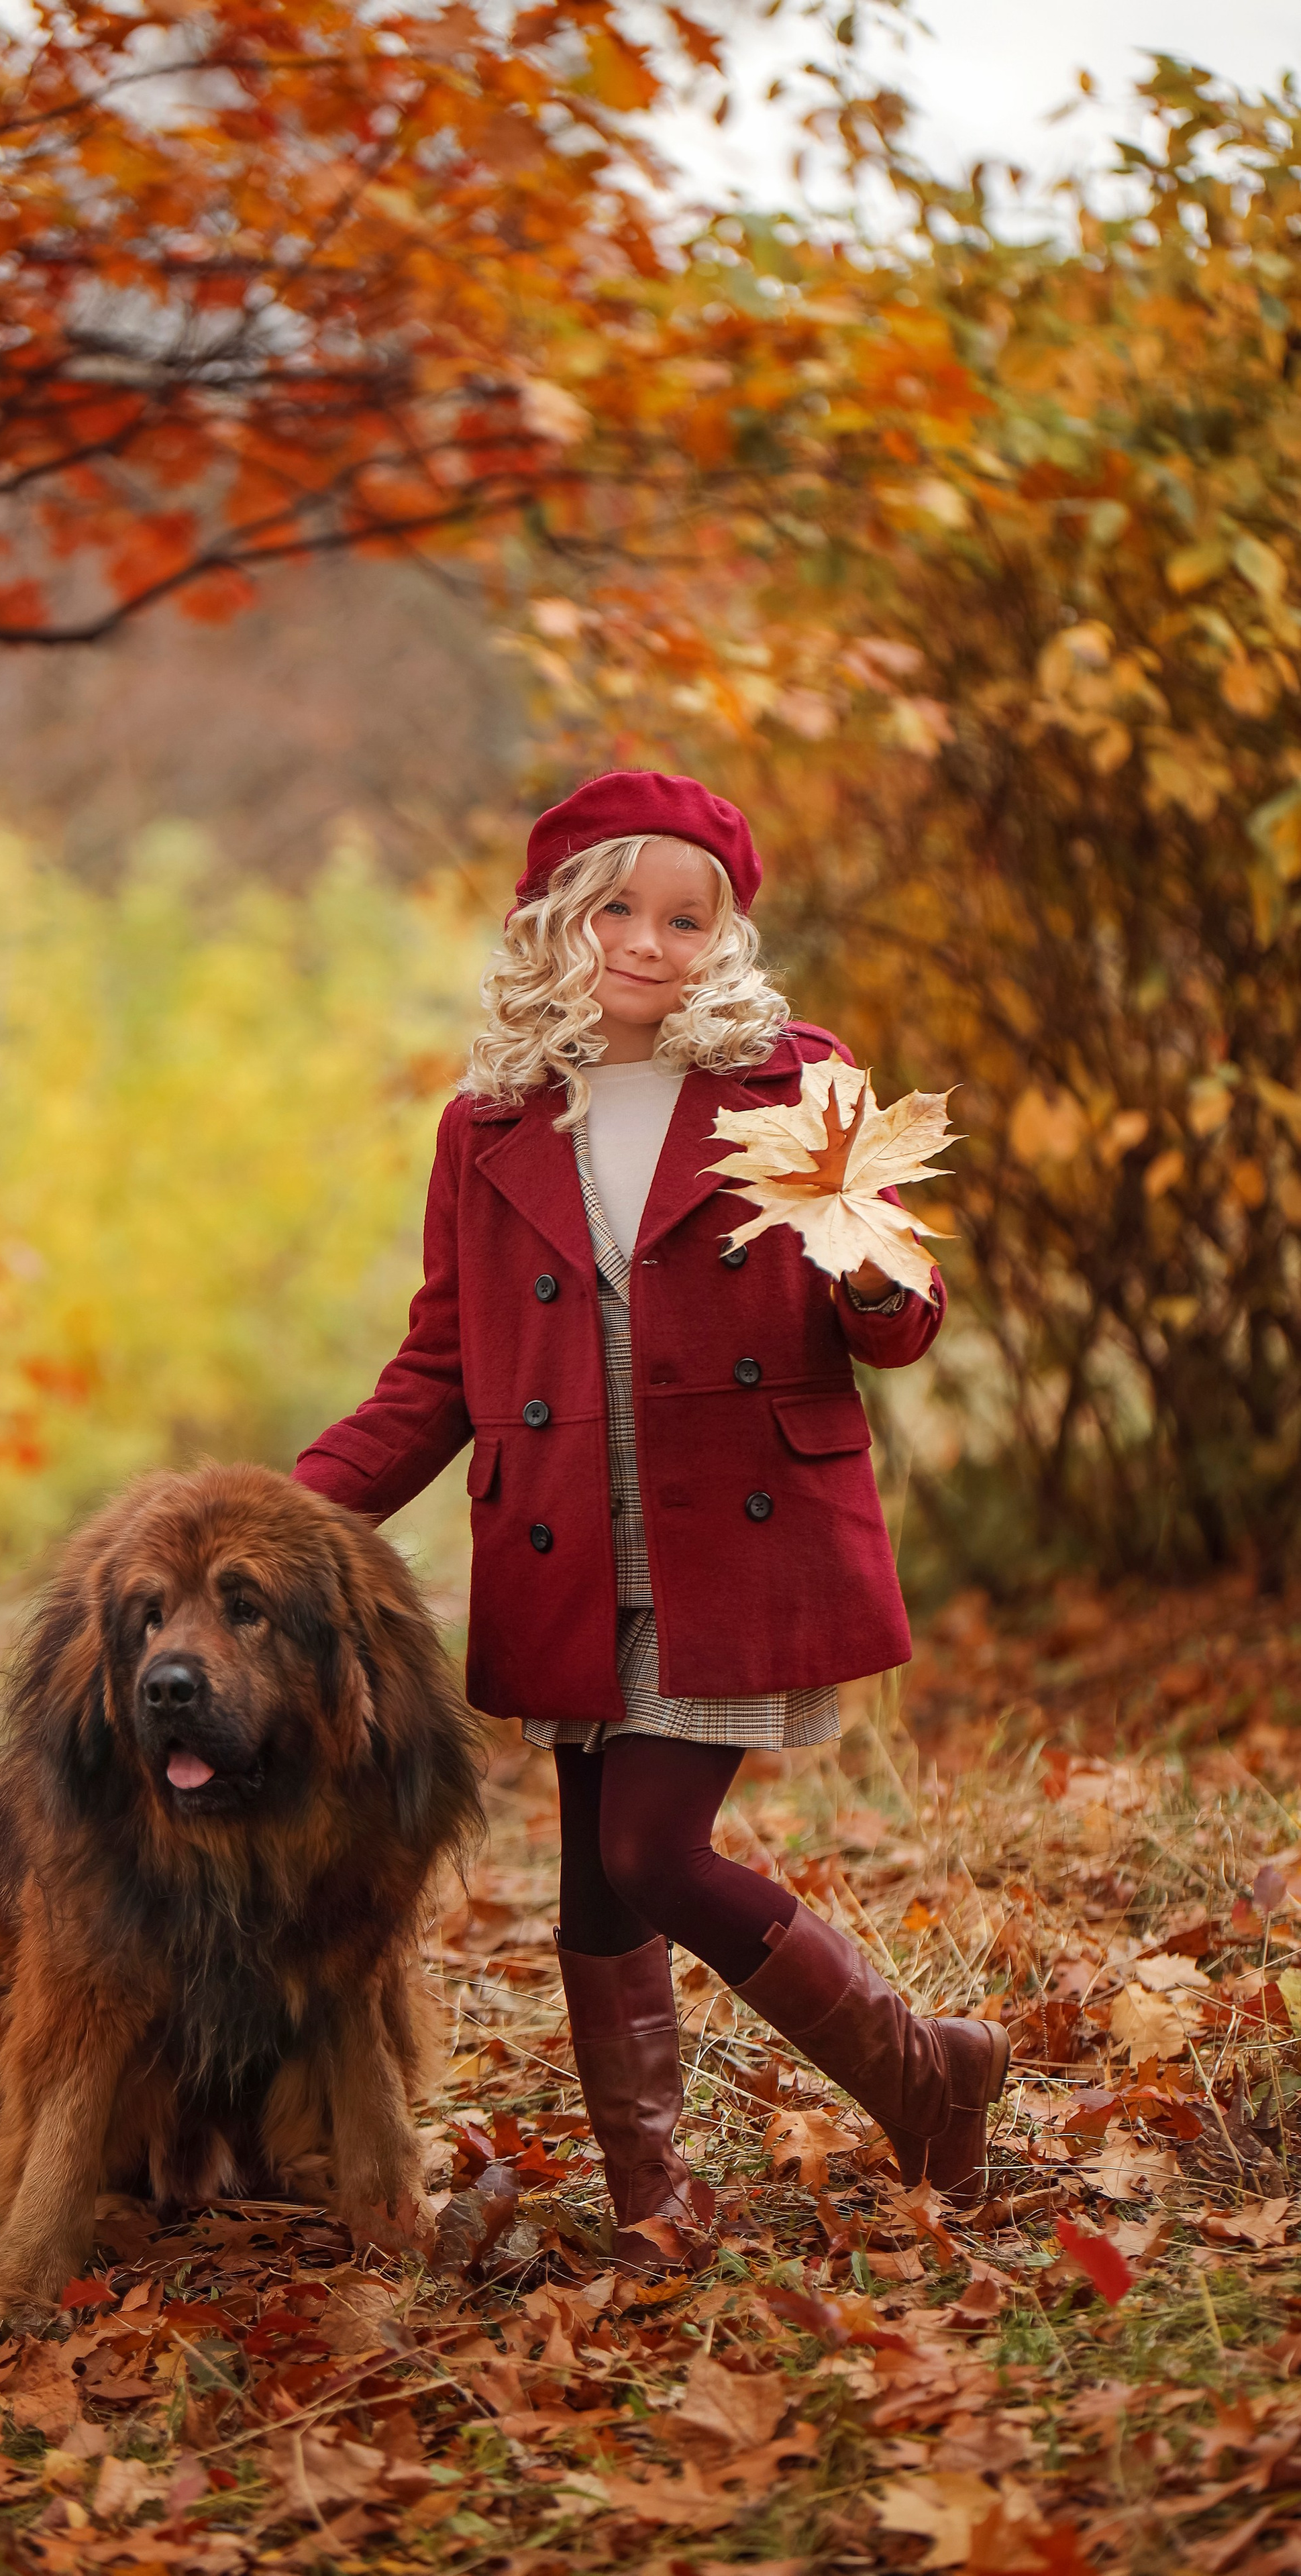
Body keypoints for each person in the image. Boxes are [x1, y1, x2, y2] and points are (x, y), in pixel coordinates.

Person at [293, 769, 1008, 2261]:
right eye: (614, 907)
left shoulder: (792, 1081)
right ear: (553, 921)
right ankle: (654, 2203)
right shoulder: (489, 1124)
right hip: (562, 1538)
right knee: (591, 1874)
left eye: (685, 916)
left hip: (733, 1536)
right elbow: (439, 1370)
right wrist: (275, 1512)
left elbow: (895, 1311)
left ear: (722, 935)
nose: (647, 940)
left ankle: (924, 2071)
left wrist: (874, 1279)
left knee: (654, 1858)